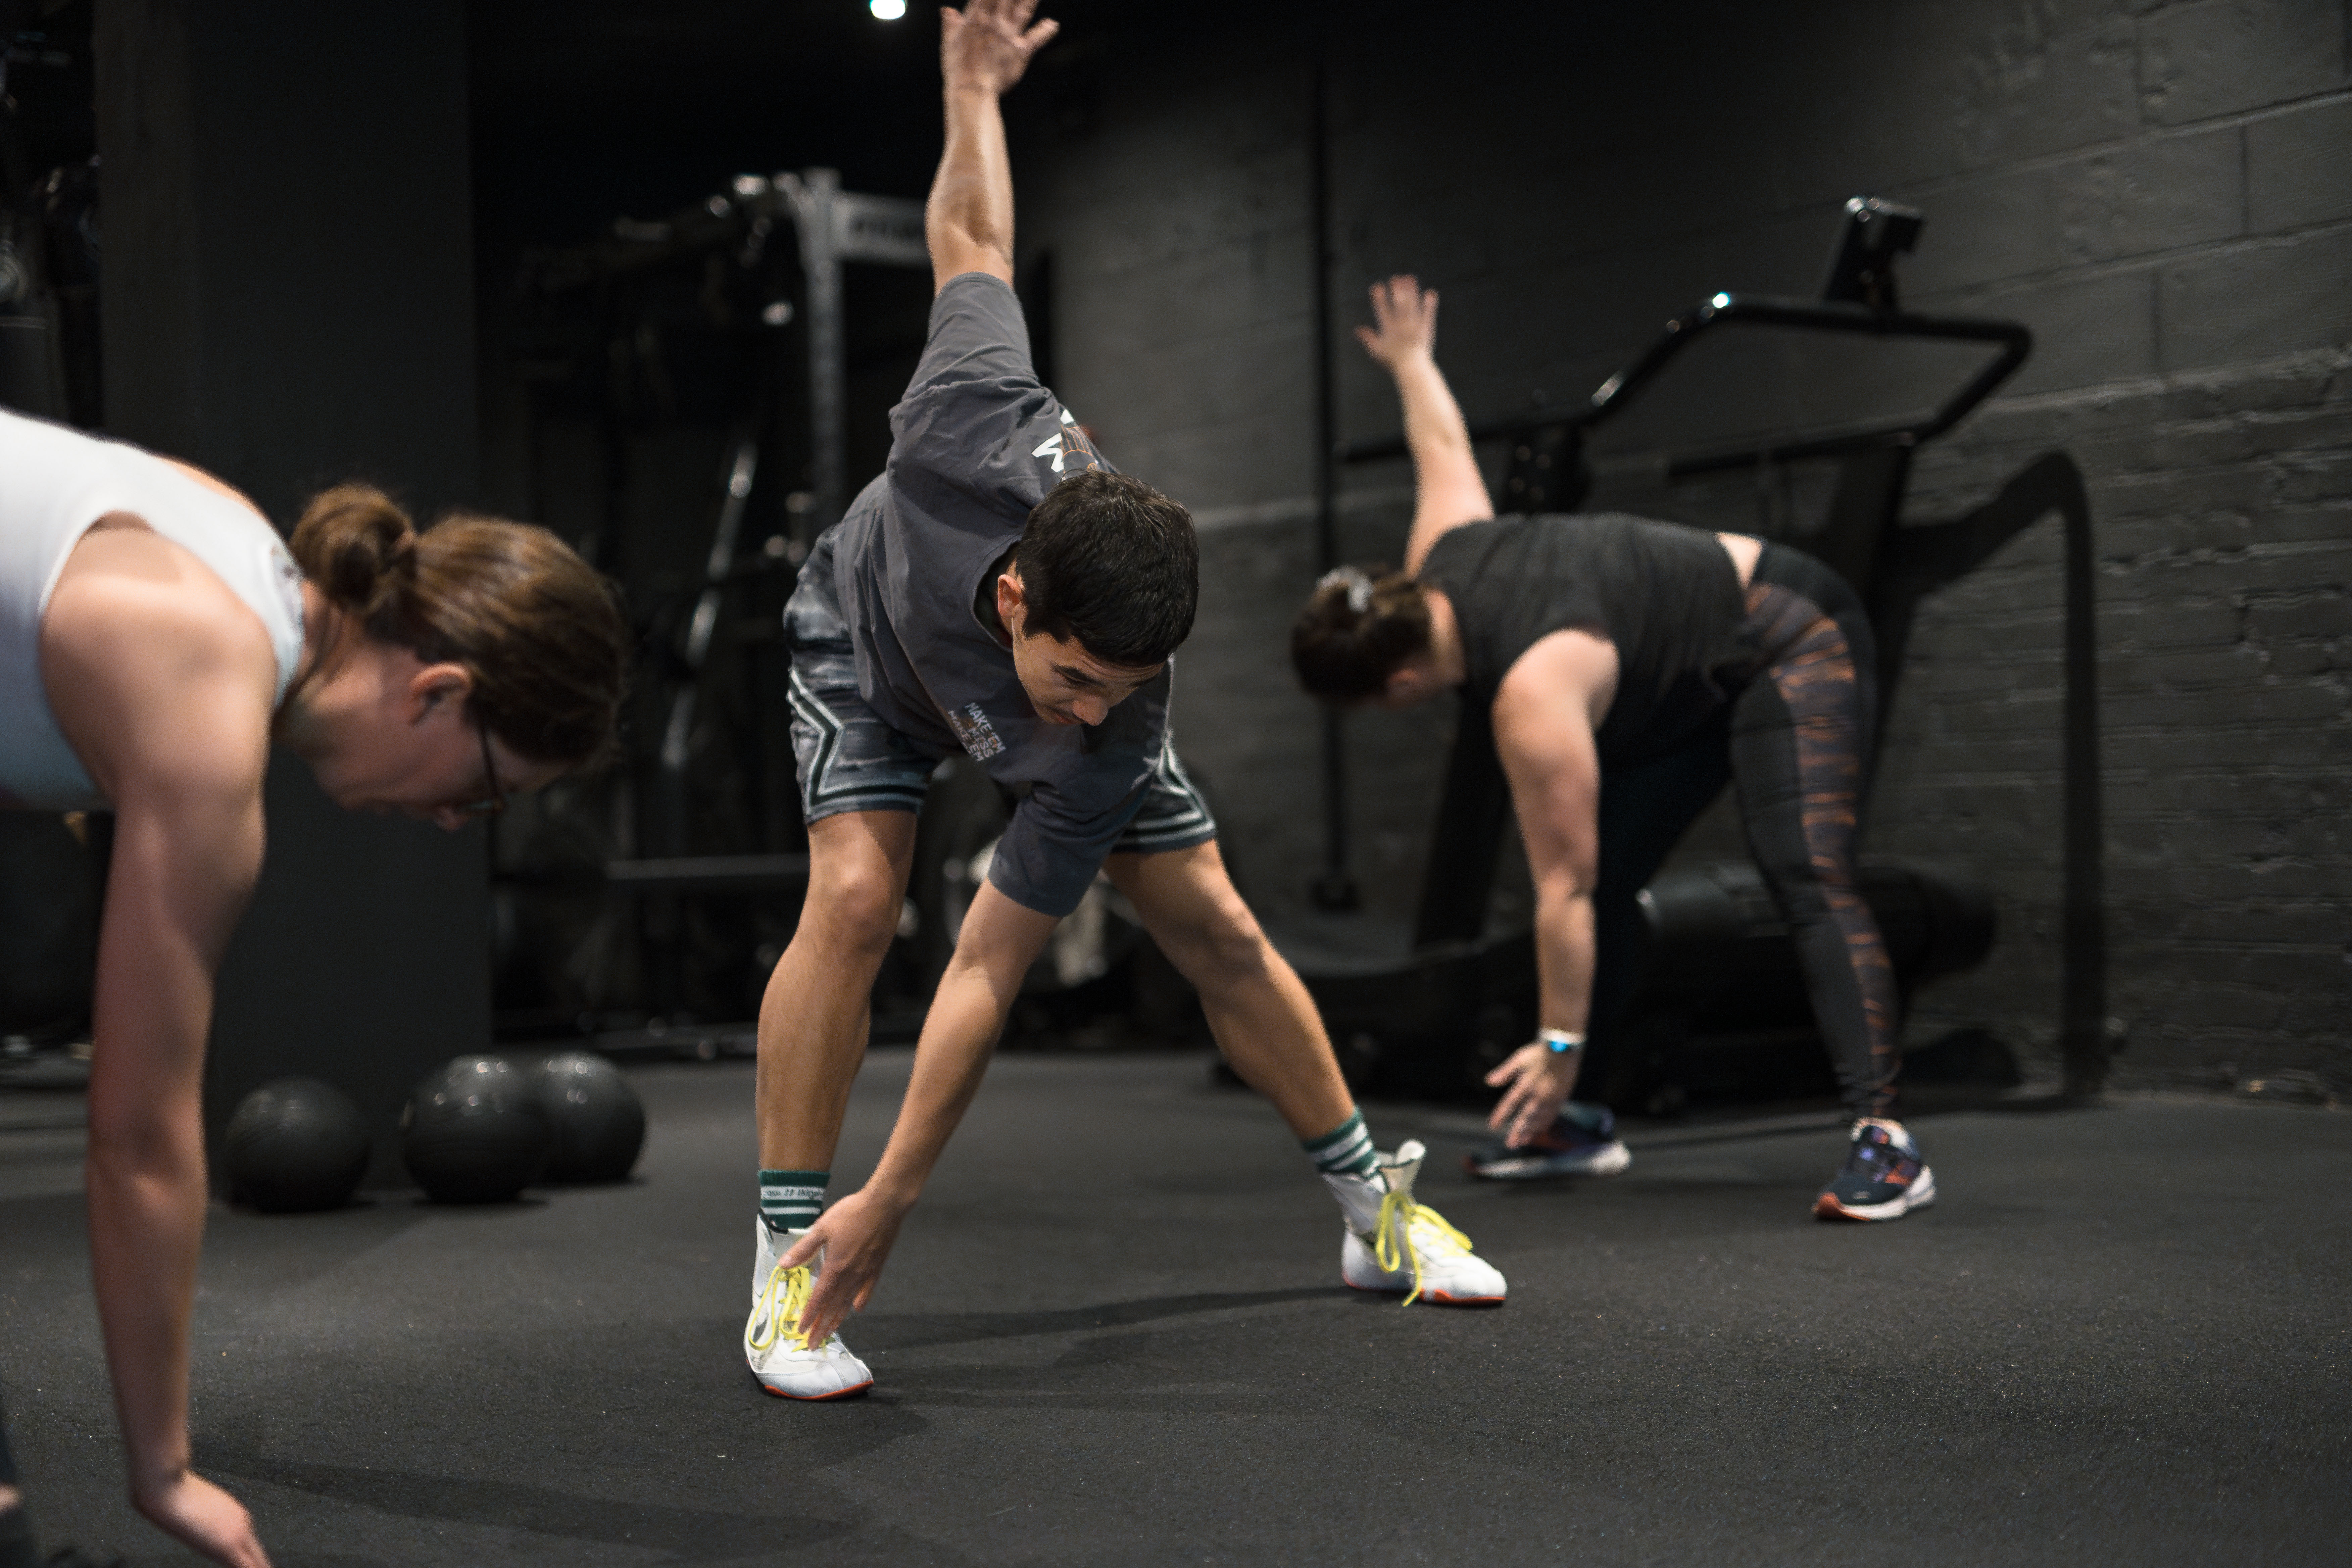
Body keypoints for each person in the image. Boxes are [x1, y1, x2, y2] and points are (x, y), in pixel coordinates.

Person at [744, 0, 1506, 1403]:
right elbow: (974, 235)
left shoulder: (1116, 719)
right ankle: (784, 1263)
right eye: (1081, 680)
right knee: (853, 899)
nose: (1097, 714)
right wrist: (972, 88)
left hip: (991, 693)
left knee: (1216, 922)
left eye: (1130, 690)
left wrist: (895, 1193)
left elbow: (988, 967)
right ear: (1018, 601)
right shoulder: (971, 402)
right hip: (867, 646)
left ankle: (1372, 1213)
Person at [0, 404, 630, 1568]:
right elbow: (137, 1140)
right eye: (485, 792)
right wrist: (163, 1470)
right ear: (438, 692)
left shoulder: (233, 548)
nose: (456, 823)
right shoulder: (206, 693)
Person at [1291, 275, 1934, 1223]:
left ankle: (1886, 1139)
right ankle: (1578, 1124)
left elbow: (1563, 890)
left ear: (1397, 685)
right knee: (1615, 875)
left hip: (1789, 634)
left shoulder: (1531, 691)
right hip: (1685, 689)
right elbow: (1443, 446)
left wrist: (1555, 1045)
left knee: (1803, 871)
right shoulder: (1439, 555)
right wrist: (1413, 362)